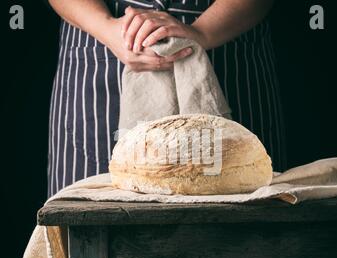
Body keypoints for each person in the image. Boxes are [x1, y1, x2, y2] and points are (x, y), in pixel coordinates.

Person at [47, 0, 287, 199]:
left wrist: (204, 32)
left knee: (244, 236)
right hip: (100, 55)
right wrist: (107, 28)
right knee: (86, 230)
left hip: (229, 53)